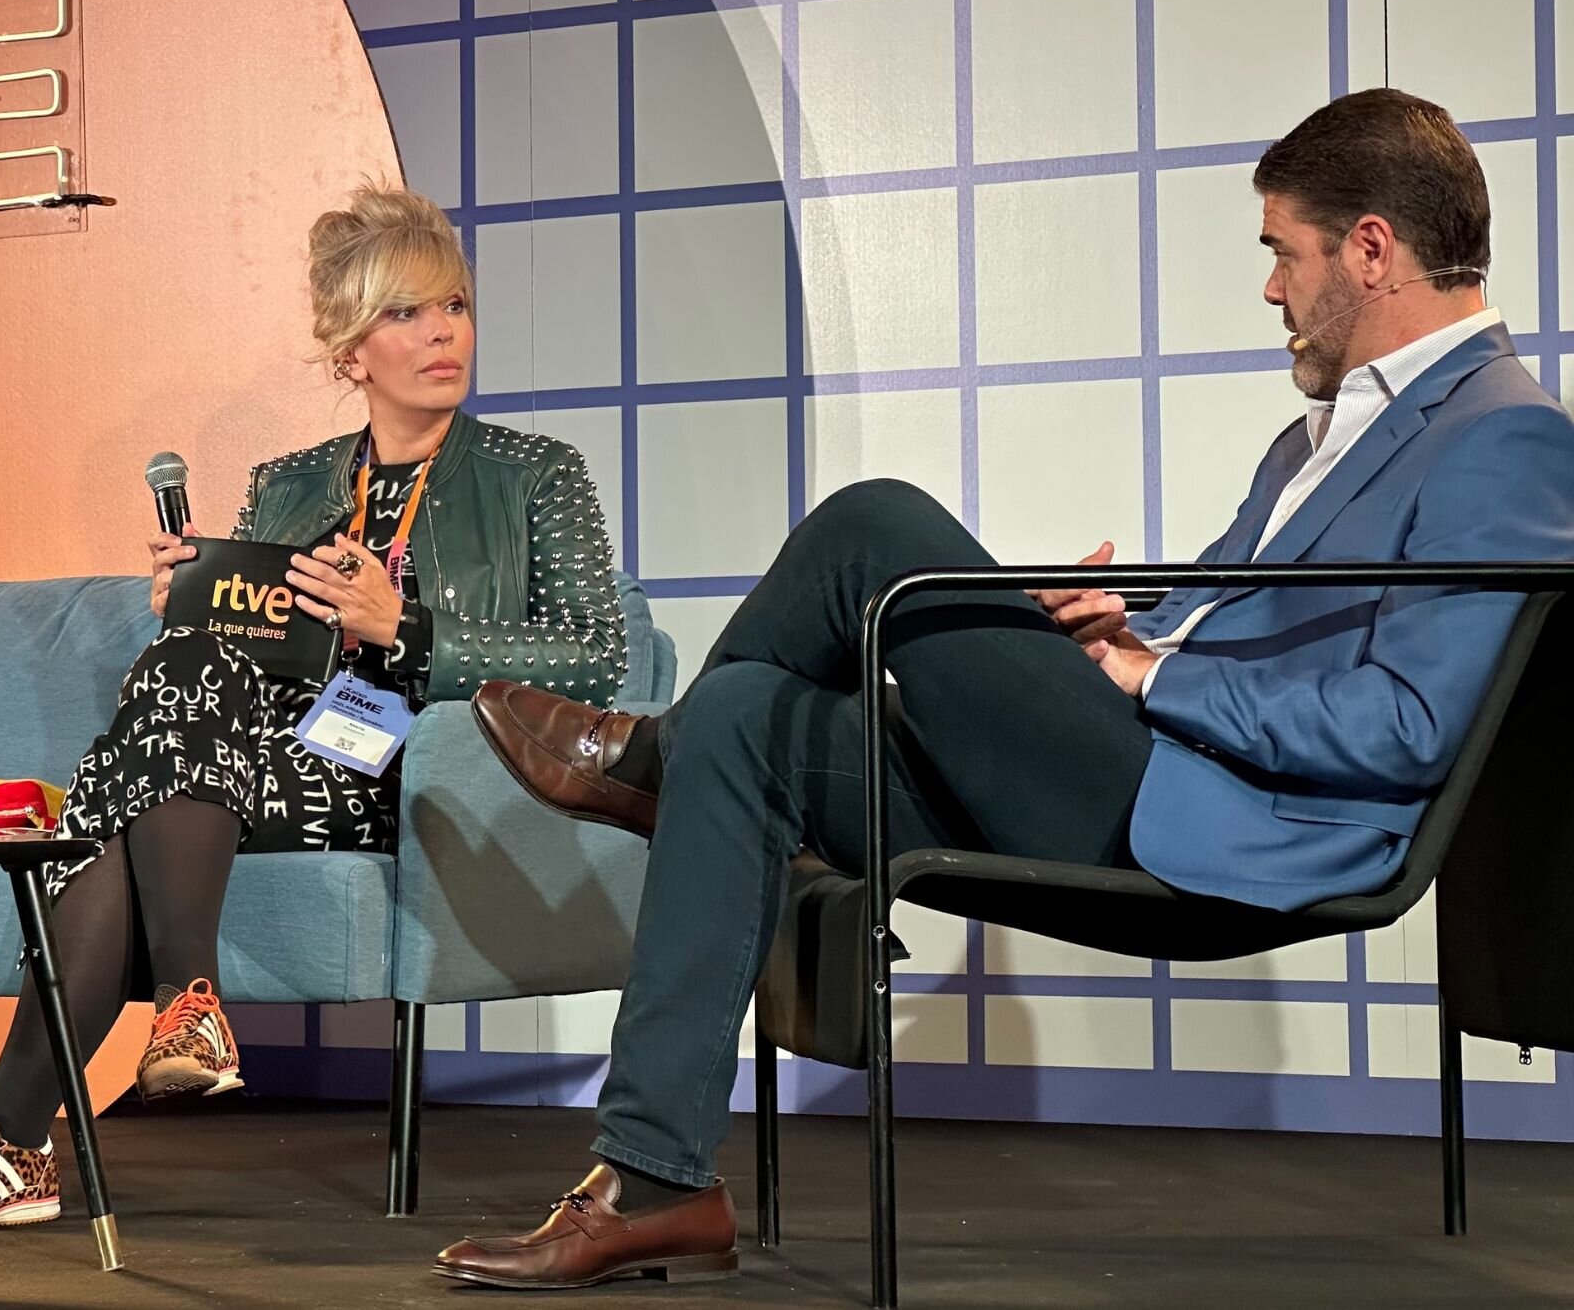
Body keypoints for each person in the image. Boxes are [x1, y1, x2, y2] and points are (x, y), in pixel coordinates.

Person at [437, 88, 1574, 1290]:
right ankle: (656, 1177)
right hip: (1158, 772)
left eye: (1280, 255)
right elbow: (1226, 618)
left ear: (1369, 249)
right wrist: (1116, 623)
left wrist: (1151, 671)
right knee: (741, 722)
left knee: (878, 524)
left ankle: (638, 765)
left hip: (1226, 834)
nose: (1270, 291)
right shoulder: (1314, 438)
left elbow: (1404, 728)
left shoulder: (1502, 437)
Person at [0, 185, 627, 1230]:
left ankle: (9, 1132)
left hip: (408, 762)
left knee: (112, 803)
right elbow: (245, 667)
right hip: (266, 753)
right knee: (184, 659)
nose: (440, 331)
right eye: (404, 313)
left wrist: (402, 629)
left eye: (450, 306)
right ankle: (183, 1014)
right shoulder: (292, 483)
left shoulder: (536, 475)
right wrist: (205, 601)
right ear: (352, 352)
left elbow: (594, 660)